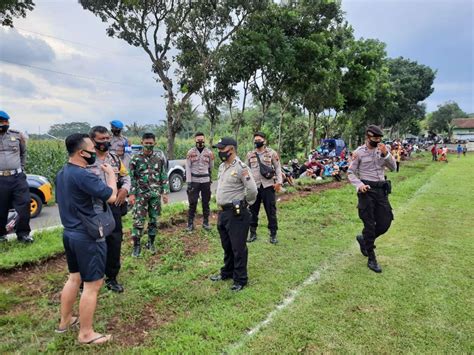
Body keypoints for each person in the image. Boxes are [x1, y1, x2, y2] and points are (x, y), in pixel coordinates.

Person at [55, 133, 117, 345]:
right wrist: (111, 175)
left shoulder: (63, 173)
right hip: (88, 236)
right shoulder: (84, 175)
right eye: (92, 148)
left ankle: (65, 322)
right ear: (82, 153)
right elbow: (111, 196)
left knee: (74, 277)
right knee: (93, 284)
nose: (95, 151)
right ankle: (86, 334)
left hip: (69, 233)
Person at [210, 137, 257, 292]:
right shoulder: (223, 166)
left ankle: (240, 279)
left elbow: (252, 190)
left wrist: (245, 204)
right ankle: (227, 272)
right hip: (223, 213)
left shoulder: (241, 167)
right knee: (227, 246)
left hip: (236, 213)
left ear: (231, 149)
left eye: (222, 149)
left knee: (238, 248)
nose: (219, 151)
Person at [87, 126, 131, 293]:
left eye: (107, 139)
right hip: (94, 208)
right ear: (92, 141)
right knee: (93, 242)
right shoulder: (86, 160)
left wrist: (125, 189)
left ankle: (111, 277)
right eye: (101, 140)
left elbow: (125, 176)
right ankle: (90, 276)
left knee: (114, 241)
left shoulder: (114, 158)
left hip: (114, 207)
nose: (105, 142)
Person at [347, 125, 396, 273]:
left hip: (381, 190)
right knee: (369, 224)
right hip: (366, 191)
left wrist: (386, 154)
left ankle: (364, 239)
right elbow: (350, 172)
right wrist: (359, 185)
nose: (378, 141)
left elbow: (393, 167)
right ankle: (372, 258)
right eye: (375, 138)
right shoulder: (358, 153)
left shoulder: (383, 149)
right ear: (368, 137)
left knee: (385, 222)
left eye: (380, 138)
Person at [129, 132, 169, 257]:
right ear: (141, 143)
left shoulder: (159, 158)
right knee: (138, 220)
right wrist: (132, 194)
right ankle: (136, 247)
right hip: (141, 195)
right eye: (146, 143)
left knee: (153, 220)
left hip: (155, 195)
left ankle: (151, 243)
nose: (148, 146)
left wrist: (165, 192)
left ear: (155, 143)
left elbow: (163, 175)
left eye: (151, 143)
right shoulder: (135, 159)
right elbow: (132, 178)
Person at [0, 110, 33, 243]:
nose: (1, 124)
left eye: (3, 122)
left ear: (7, 122)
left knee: (24, 205)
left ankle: (23, 234)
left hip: (17, 178)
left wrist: (22, 169)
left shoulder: (17, 135)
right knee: (0, 208)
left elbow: (23, 153)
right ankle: (1, 235)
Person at [246, 132, 282, 244]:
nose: (257, 141)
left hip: (268, 186)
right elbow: (246, 170)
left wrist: (279, 182)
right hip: (254, 187)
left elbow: (277, 168)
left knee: (271, 211)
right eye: (255, 140)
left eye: (259, 139)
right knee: (252, 211)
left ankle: (273, 234)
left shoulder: (272, 153)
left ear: (264, 141)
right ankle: (252, 233)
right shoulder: (250, 154)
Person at [185, 132, 214, 231]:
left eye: (202, 139)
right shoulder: (190, 152)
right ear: (195, 140)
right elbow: (188, 167)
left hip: (205, 180)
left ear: (204, 140)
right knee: (192, 203)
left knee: (206, 202)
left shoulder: (209, 153)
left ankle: (206, 223)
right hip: (194, 180)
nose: (200, 141)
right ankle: (190, 224)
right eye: (198, 140)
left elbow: (211, 166)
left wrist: (210, 178)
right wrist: (189, 182)